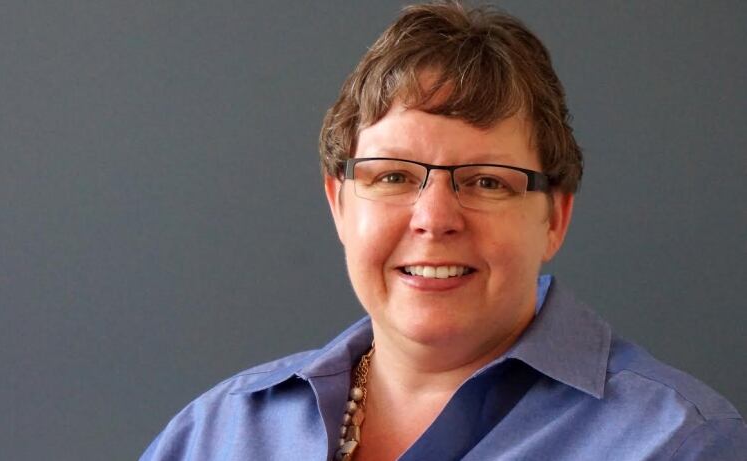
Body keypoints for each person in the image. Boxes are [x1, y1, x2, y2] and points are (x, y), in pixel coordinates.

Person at [140, 2, 746, 460]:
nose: (433, 218)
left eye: (486, 181)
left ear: (554, 218)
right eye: (394, 176)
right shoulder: (219, 433)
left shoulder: (680, 442)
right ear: (339, 204)